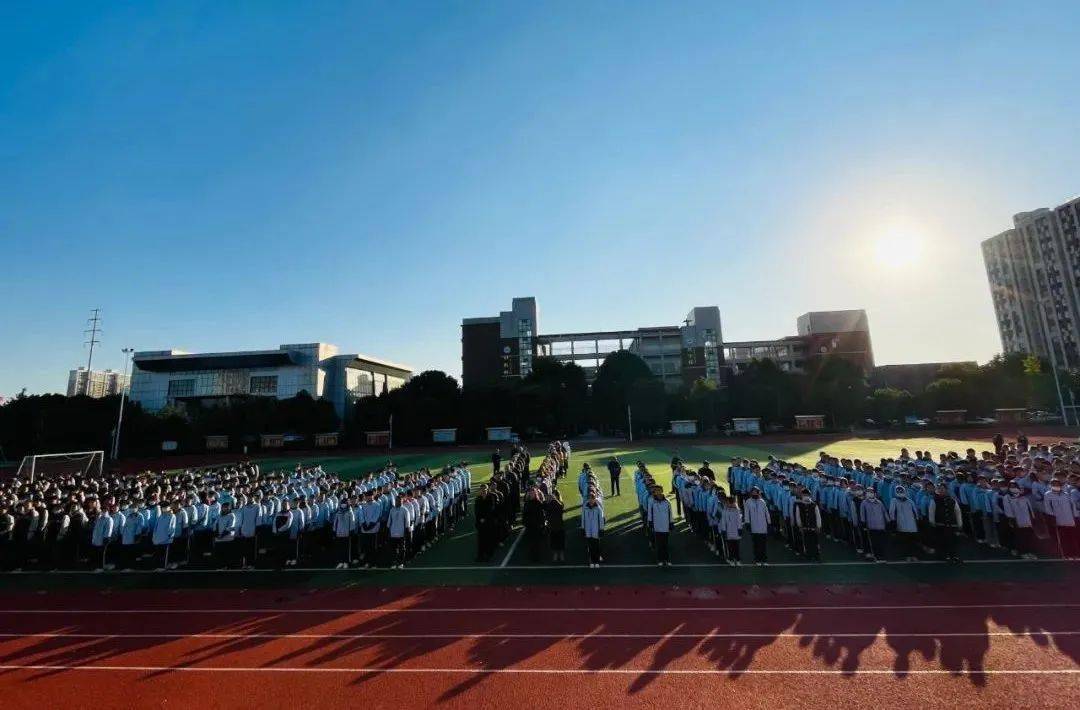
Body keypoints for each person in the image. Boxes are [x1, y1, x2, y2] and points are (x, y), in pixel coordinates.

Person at [928, 484, 963, 563]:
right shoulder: (934, 500)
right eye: (939, 489)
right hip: (940, 525)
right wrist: (932, 522)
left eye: (943, 488)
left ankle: (953, 555)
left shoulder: (952, 500)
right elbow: (931, 511)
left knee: (953, 541)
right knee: (941, 541)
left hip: (951, 525)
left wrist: (960, 523)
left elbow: (957, 512)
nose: (941, 490)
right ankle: (943, 555)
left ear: (946, 490)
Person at [1044, 478, 1078, 559]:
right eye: (1054, 484)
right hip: (1059, 521)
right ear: (1051, 485)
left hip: (1070, 520)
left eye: (1057, 484)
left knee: (1072, 538)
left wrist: (1075, 517)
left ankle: (1075, 554)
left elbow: (1072, 506)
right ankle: (1066, 555)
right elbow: (1048, 508)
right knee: (1063, 539)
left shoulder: (1066, 494)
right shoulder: (1048, 494)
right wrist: (1052, 518)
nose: (1056, 486)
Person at [889, 486, 920, 561]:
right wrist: (893, 523)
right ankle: (907, 555)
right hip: (901, 525)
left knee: (913, 541)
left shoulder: (910, 501)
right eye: (898, 492)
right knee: (904, 541)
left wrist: (917, 520)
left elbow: (915, 512)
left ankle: (914, 555)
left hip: (912, 525)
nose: (900, 493)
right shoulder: (894, 501)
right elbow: (891, 512)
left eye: (902, 491)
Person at [859, 489, 889, 562]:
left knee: (881, 542)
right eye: (868, 492)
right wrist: (863, 523)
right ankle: (876, 556)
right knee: (874, 542)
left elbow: (884, 512)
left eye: (872, 492)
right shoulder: (864, 503)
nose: (870, 494)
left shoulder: (879, 502)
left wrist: (888, 521)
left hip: (881, 526)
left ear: (874, 494)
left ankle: (882, 556)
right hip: (871, 526)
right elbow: (862, 514)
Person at [647, 485, 673, 567]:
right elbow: (650, 513)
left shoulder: (667, 502)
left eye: (659, 490)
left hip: (665, 526)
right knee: (659, 545)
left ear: (662, 491)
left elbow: (670, 513)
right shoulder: (652, 502)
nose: (658, 492)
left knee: (665, 544)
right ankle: (660, 560)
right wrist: (650, 522)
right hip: (657, 526)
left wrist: (671, 523)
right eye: (656, 491)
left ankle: (667, 559)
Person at [743, 486, 770, 565]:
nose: (754, 493)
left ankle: (764, 560)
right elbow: (747, 513)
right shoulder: (748, 502)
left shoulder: (762, 502)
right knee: (756, 544)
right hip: (754, 526)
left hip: (763, 526)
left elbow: (766, 513)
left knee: (763, 544)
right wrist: (747, 523)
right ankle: (757, 559)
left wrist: (769, 522)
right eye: (753, 492)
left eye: (756, 491)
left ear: (758, 493)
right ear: (751, 493)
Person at [793, 490, 822, 561]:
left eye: (807, 495)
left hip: (813, 527)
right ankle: (808, 555)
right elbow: (798, 516)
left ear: (810, 496)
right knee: (806, 541)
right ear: (801, 495)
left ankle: (816, 555)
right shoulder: (799, 505)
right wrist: (800, 526)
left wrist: (818, 526)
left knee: (815, 541)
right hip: (804, 527)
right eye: (804, 495)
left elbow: (818, 516)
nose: (806, 496)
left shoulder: (814, 505)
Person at [581, 491, 605, 568]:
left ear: (595, 499)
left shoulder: (598, 508)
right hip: (588, 531)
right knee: (590, 547)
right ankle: (591, 561)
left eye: (592, 499)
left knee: (596, 546)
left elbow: (601, 520)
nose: (591, 500)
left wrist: (601, 529)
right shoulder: (585, 508)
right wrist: (583, 528)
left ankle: (596, 561)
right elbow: (583, 519)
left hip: (596, 531)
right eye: (590, 499)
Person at [719, 496, 743, 565]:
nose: (731, 504)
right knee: (730, 547)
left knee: (736, 547)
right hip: (728, 532)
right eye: (729, 502)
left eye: (732, 502)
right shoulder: (725, 511)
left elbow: (739, 521)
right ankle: (731, 559)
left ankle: (738, 559)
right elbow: (723, 521)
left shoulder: (737, 511)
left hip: (736, 532)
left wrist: (740, 529)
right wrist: (724, 530)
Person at [545, 489, 566, 562]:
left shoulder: (558, 504)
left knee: (558, 541)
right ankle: (558, 554)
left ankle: (559, 554)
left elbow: (561, 507)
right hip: (555, 526)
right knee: (556, 541)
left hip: (557, 526)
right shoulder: (553, 504)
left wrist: (554, 500)